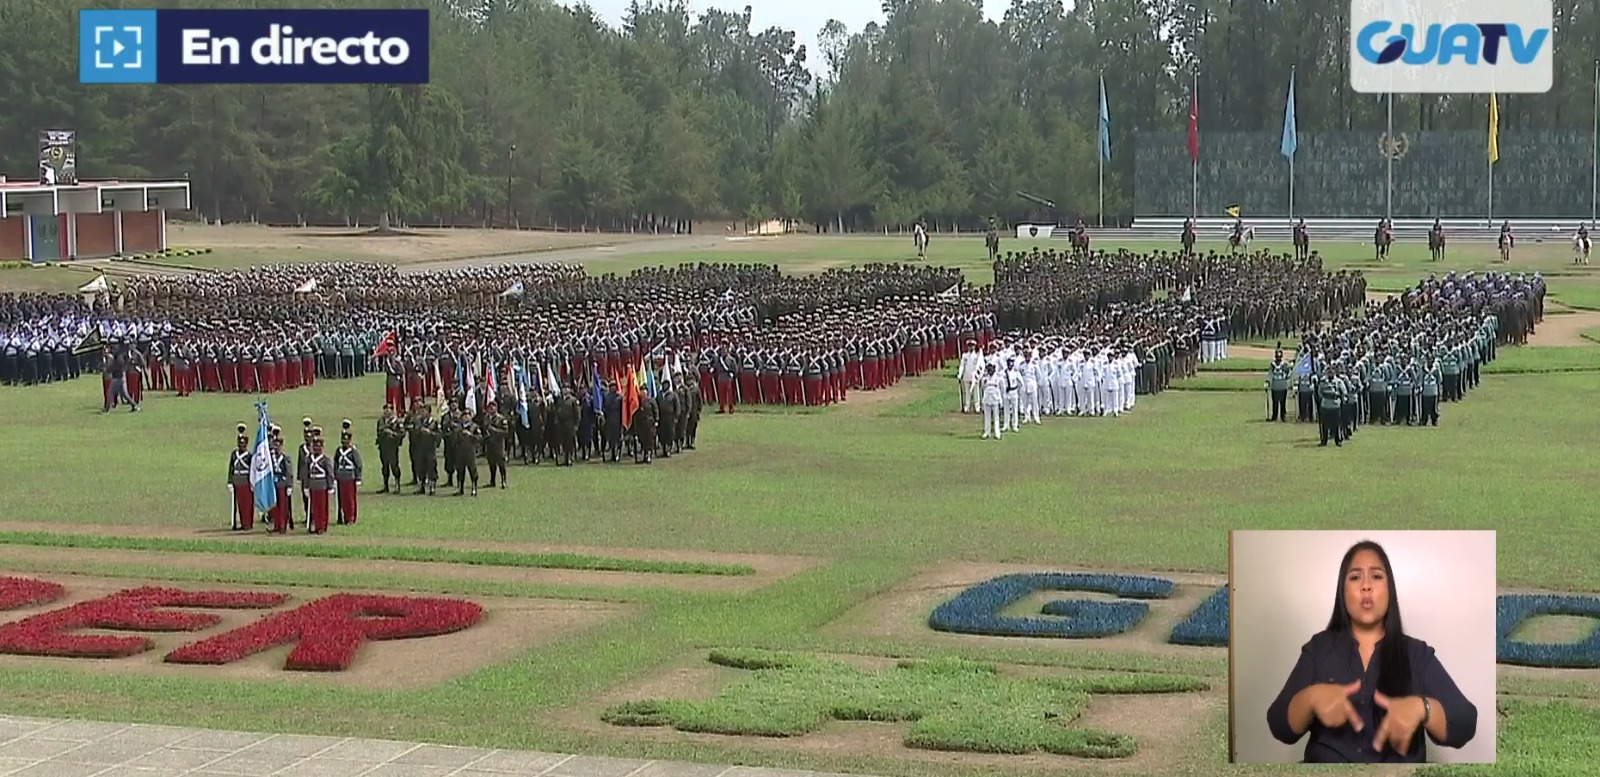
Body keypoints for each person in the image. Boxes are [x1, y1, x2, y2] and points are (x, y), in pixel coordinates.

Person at [1266, 541, 1478, 763]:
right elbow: (1279, 726)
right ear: (1342, 590)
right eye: (1355, 577)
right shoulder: (1319, 649)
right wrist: (1309, 699)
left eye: (1376, 576)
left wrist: (1422, 708)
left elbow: (1465, 724)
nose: (1366, 586)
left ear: (1390, 589)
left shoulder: (1417, 654)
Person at [304, 431, 333, 534]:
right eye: (314, 446)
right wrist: (306, 486)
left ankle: (322, 526)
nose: (316, 448)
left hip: (322, 485)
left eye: (318, 446)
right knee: (314, 508)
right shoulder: (309, 459)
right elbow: (306, 473)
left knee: (322, 507)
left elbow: (330, 474)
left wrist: (330, 487)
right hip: (313, 484)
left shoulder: (325, 460)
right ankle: (316, 525)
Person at [334, 425, 363, 524]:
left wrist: (358, 478)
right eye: (343, 440)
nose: (345, 442)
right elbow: (336, 463)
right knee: (341, 499)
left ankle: (350, 517)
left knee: (350, 499)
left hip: (350, 477)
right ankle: (341, 516)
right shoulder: (339, 451)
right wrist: (335, 476)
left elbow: (358, 464)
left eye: (346, 440)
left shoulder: (353, 451)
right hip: (341, 477)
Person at [227, 426, 254, 531]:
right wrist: (230, 481)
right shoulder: (234, 454)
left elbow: (252, 470)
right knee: (239, 505)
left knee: (247, 504)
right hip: (237, 482)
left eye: (243, 443)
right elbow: (231, 468)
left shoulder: (249, 456)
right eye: (240, 443)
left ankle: (247, 524)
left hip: (246, 482)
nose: (241, 445)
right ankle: (242, 523)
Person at [375, 403, 405, 493]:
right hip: (383, 446)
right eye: (385, 409)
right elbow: (378, 432)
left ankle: (397, 485)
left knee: (394, 466)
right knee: (384, 467)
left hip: (392, 447)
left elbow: (402, 433)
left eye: (388, 409)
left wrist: (393, 434)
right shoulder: (380, 421)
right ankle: (386, 485)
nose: (386, 411)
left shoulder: (396, 422)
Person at [1266, 348, 1291, 422]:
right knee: (1275, 402)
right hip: (1275, 387)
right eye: (1277, 357)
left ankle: (1283, 416)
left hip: (1283, 386)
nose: (1278, 359)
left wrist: (1287, 378)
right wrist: (1268, 382)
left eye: (1279, 357)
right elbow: (1270, 374)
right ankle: (1274, 416)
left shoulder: (1284, 365)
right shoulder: (1272, 365)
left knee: (1283, 403)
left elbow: (1289, 373)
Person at [980, 363, 1003, 440]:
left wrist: (1000, 401)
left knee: (996, 417)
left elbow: (1001, 389)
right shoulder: (985, 378)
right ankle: (987, 432)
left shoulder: (998, 378)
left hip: (995, 399)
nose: (990, 370)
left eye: (991, 369)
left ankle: (997, 433)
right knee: (987, 417)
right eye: (988, 369)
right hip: (987, 399)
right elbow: (982, 388)